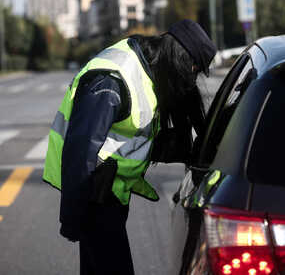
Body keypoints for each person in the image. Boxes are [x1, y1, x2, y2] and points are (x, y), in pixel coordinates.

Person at [43, 19, 217, 275]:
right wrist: (72, 216)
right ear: (178, 58)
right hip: (93, 193)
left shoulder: (150, 70)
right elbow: (80, 150)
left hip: (110, 194)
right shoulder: (113, 79)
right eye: (192, 68)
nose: (191, 77)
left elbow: (132, 135)